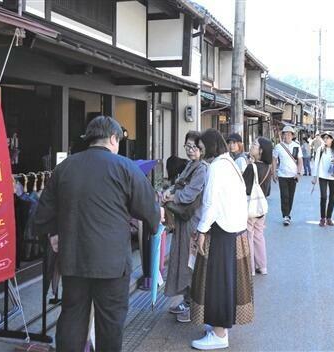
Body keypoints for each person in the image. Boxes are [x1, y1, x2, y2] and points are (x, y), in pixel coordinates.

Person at [35, 116, 162, 352]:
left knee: (72, 316)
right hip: (112, 263)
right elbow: (149, 209)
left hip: (73, 259)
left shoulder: (65, 167)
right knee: (110, 323)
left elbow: (42, 214)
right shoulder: (126, 167)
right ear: (113, 138)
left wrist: (53, 233)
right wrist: (156, 224)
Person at [190, 129, 252, 350]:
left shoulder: (216, 167)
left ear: (210, 146)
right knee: (225, 281)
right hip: (234, 230)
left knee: (217, 283)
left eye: (202, 147)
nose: (200, 151)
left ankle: (219, 334)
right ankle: (218, 328)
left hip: (221, 231)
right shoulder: (230, 163)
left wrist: (201, 231)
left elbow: (211, 204)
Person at [162, 131, 208, 323]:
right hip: (184, 220)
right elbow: (179, 185)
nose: (190, 150)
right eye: (187, 146)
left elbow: (189, 194)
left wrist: (172, 196)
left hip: (192, 222)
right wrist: (169, 191)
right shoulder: (191, 165)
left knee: (190, 263)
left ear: (202, 149)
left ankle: (193, 307)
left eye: (194, 147)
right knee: (181, 260)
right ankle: (187, 300)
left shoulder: (202, 169)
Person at [243, 137, 272, 276]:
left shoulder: (251, 167)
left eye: (254, 144)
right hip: (261, 208)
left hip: (250, 207)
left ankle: (251, 268)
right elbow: (268, 191)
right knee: (259, 236)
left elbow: (243, 188)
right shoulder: (268, 168)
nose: (251, 146)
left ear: (261, 150)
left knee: (249, 236)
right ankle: (263, 266)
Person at [272, 126, 304, 226]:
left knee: (291, 196)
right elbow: (274, 160)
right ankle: (285, 216)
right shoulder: (278, 146)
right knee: (284, 196)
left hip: (293, 175)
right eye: (285, 134)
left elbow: (300, 161)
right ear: (283, 135)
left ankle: (288, 214)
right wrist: (273, 172)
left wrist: (298, 173)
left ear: (292, 135)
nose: (287, 136)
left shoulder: (297, 146)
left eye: (289, 134)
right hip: (282, 175)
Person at [312, 132, 334, 227]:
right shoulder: (320, 149)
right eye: (324, 138)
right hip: (323, 176)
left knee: (332, 198)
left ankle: (329, 218)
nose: (326, 139)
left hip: (333, 176)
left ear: (332, 139)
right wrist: (314, 176)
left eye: (328, 138)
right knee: (323, 197)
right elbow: (316, 163)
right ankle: (322, 218)